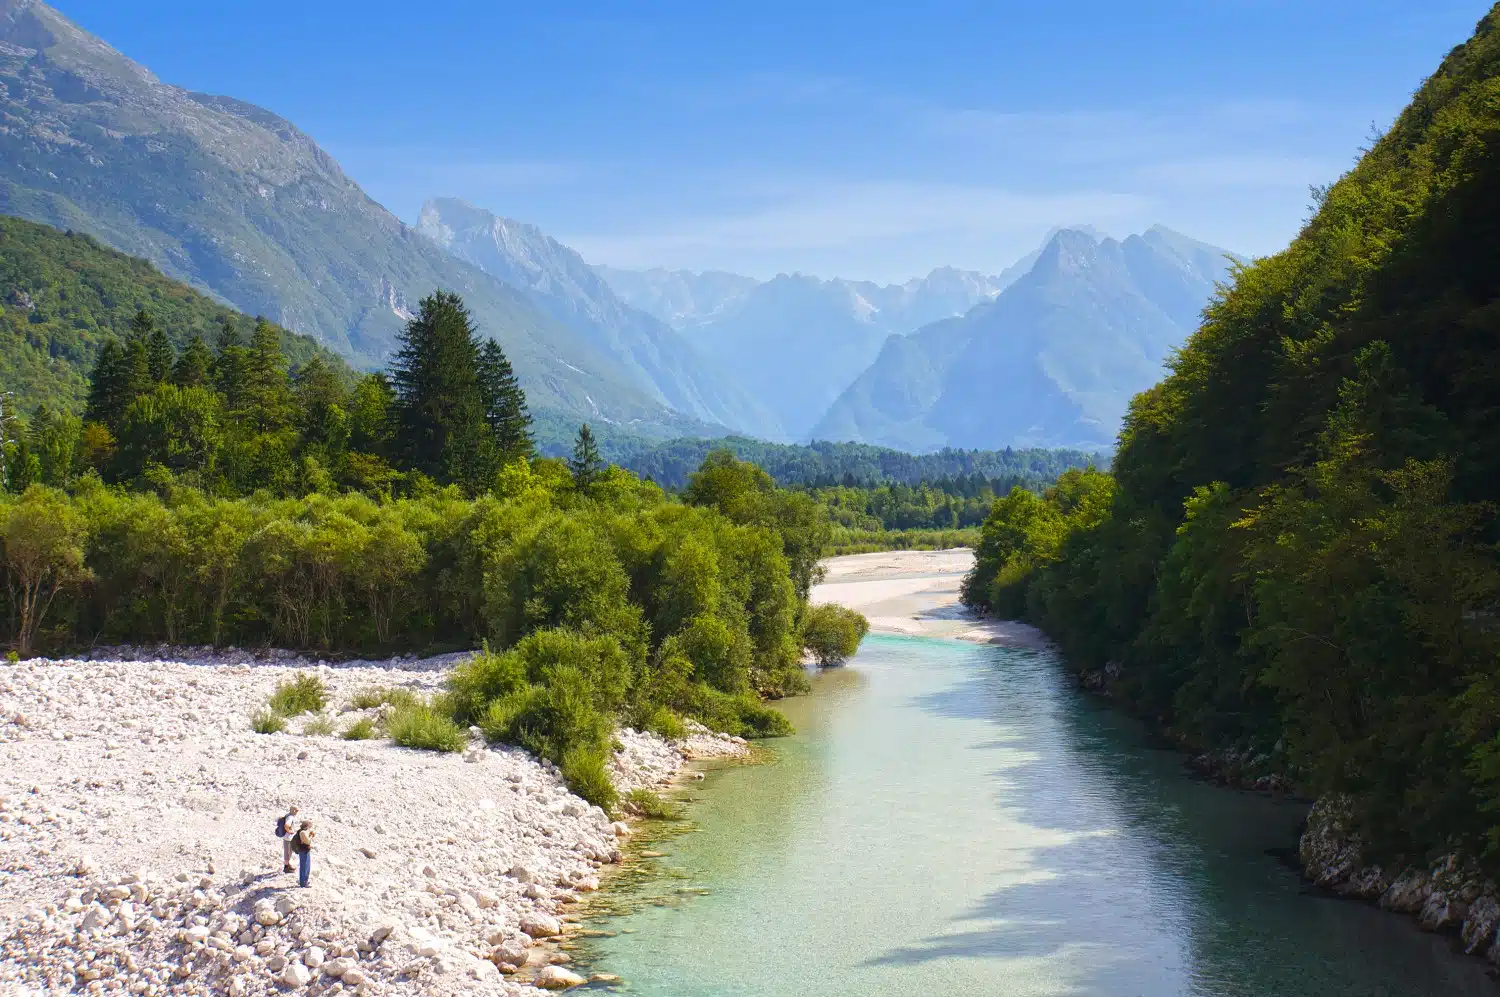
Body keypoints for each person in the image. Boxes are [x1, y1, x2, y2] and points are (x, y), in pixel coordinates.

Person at [292, 820, 315, 888]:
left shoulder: (301, 831)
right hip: (304, 851)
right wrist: (311, 836)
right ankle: (303, 883)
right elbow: (307, 842)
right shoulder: (303, 832)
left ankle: (304, 881)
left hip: (304, 851)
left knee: (305, 866)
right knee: (304, 867)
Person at [276, 806, 300, 873]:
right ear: (293, 810)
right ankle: (286, 868)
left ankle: (288, 865)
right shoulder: (290, 817)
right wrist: (290, 831)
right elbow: (287, 825)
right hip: (288, 838)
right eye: (296, 811)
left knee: (288, 852)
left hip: (287, 837)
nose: (297, 812)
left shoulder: (288, 815)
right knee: (288, 853)